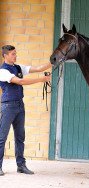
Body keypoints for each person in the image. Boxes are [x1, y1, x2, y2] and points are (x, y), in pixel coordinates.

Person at [0, 45, 52, 176]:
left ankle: (21, 166)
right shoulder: (3, 71)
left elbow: (39, 68)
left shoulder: (18, 67)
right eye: (13, 54)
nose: (15, 56)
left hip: (19, 105)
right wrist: (42, 79)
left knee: (20, 137)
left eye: (15, 53)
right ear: (5, 56)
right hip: (8, 107)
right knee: (2, 138)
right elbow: (20, 81)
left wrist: (55, 60)